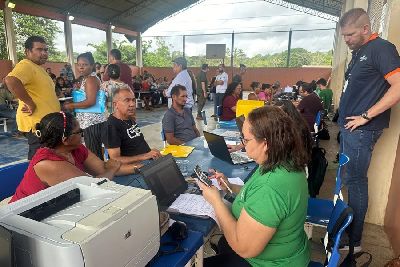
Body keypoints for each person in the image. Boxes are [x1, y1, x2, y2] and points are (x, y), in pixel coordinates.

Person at [199, 106, 310, 266]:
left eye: (246, 139)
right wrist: (229, 186)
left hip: (269, 263)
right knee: (223, 244)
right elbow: (255, 195)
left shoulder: (270, 187)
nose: (243, 144)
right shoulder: (282, 162)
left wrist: (216, 201)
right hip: (290, 252)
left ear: (265, 143)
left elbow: (243, 248)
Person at [337, 8, 400, 252]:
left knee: (355, 182)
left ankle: (354, 241)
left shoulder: (382, 49)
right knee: (350, 181)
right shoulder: (359, 51)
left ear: (365, 29)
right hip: (350, 130)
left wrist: (366, 116)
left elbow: (397, 86)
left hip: (362, 132)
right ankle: (346, 233)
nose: (347, 40)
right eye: (343, 36)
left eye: (350, 35)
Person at [9, 112, 122, 203]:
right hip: (23, 214)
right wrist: (112, 169)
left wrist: (109, 170)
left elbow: (102, 169)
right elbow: (92, 187)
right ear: (65, 140)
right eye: (80, 131)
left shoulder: (75, 148)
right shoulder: (49, 164)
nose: (83, 134)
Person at [5, 36, 61, 159]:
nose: (44, 53)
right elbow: (11, 80)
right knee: (39, 160)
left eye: (46, 50)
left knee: (46, 159)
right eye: (39, 49)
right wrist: (29, 102)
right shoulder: (26, 65)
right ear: (27, 51)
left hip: (47, 124)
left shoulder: (38, 68)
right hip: (37, 124)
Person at [102, 87, 162, 187]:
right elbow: (115, 160)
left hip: (146, 162)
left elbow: (136, 145)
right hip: (133, 171)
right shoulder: (111, 126)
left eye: (133, 100)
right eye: (127, 100)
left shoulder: (128, 119)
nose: (132, 104)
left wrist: (150, 153)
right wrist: (144, 156)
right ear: (115, 104)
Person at [64, 52, 106, 130]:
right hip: (90, 121)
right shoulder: (87, 78)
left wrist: (70, 105)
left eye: (85, 65)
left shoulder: (91, 79)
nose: (81, 67)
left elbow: (90, 101)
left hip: (91, 122)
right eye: (79, 65)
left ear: (92, 65)